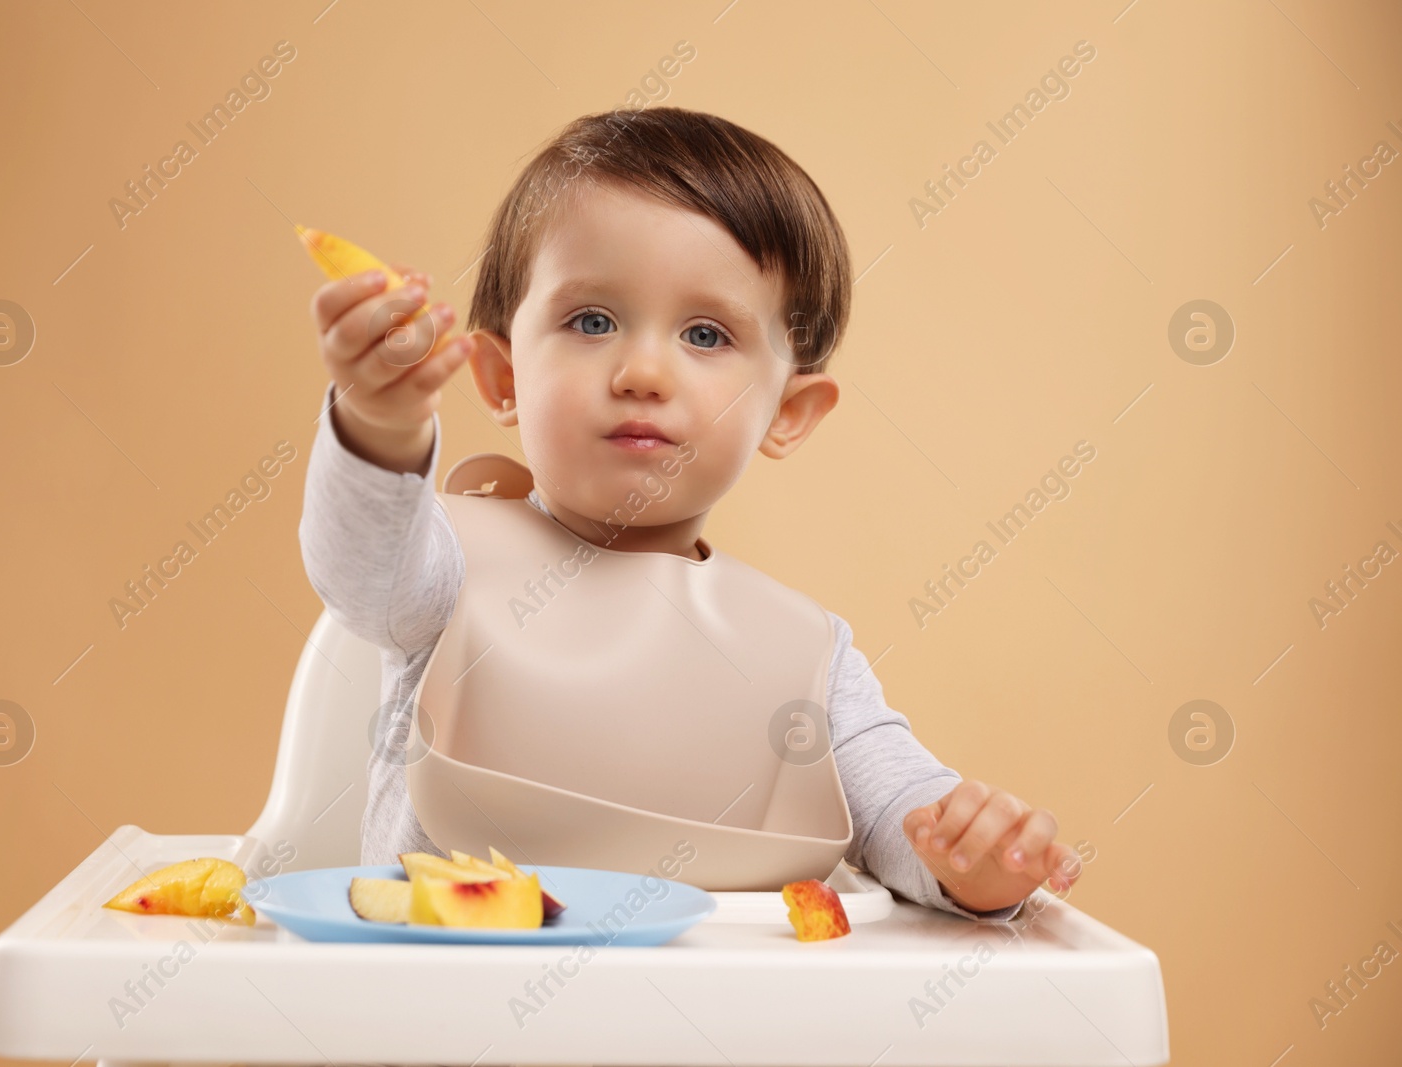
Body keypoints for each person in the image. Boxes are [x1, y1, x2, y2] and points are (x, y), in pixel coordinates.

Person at [298, 106, 1081, 922]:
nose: (641, 370)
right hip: (449, 1019)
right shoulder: (445, 572)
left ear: (789, 411)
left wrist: (968, 857)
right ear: (501, 376)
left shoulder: (804, 656)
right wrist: (379, 429)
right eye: (591, 320)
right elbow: (362, 568)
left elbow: (896, 810)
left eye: (706, 334)